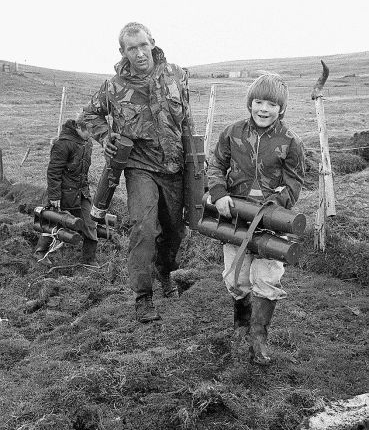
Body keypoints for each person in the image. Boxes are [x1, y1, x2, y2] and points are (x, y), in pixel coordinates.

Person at [80, 22, 196, 323]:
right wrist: (106, 137)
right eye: (132, 48)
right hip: (139, 165)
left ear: (152, 42)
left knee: (174, 231)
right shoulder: (113, 86)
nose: (140, 53)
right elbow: (89, 115)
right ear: (123, 52)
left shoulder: (176, 75)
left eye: (143, 45)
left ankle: (165, 273)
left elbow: (188, 121)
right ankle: (143, 296)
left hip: (174, 166)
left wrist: (196, 162)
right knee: (144, 228)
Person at [207, 73, 305, 365]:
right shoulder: (231, 132)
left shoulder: (290, 141)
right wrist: (218, 193)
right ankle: (241, 324)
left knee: (266, 277)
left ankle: (259, 337)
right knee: (236, 279)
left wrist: (275, 204)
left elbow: (295, 182)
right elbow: (215, 165)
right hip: (235, 217)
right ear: (250, 104)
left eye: (271, 104)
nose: (264, 109)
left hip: (272, 221)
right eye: (259, 102)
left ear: (281, 108)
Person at [34, 118, 98, 266]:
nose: (91, 135)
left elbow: (83, 171)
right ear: (79, 128)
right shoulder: (62, 144)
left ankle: (89, 259)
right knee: (54, 221)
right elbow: (54, 171)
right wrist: (55, 195)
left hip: (81, 192)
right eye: (89, 131)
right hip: (62, 192)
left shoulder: (87, 143)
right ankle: (40, 252)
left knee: (90, 222)